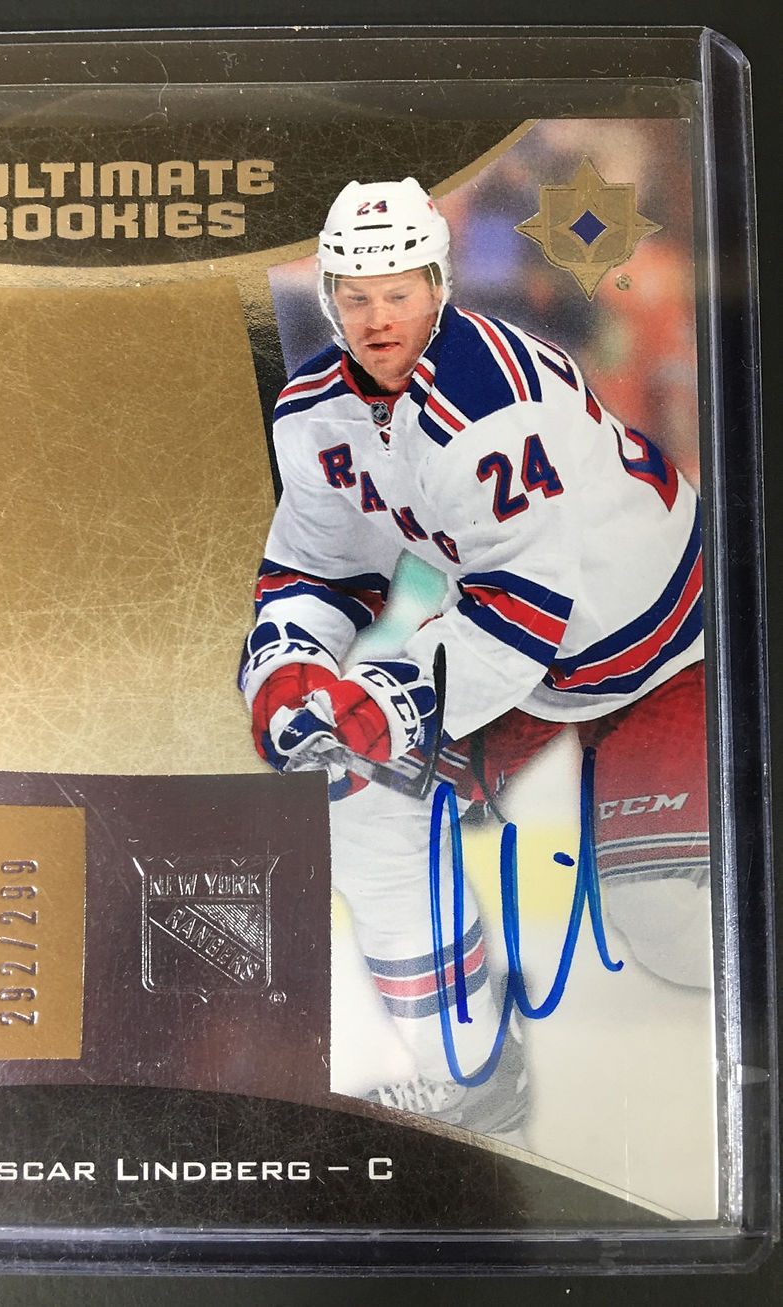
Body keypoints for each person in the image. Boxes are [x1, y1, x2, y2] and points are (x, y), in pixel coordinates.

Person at [239, 178, 710, 1137]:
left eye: (399, 292)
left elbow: (525, 605)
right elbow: (316, 567)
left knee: (673, 928)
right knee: (365, 800)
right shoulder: (315, 408)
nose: (379, 318)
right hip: (530, 662)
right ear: (330, 295)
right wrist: (289, 663)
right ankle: (470, 1070)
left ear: (438, 285)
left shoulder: (493, 398)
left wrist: (388, 695)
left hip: (663, 645)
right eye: (357, 296)